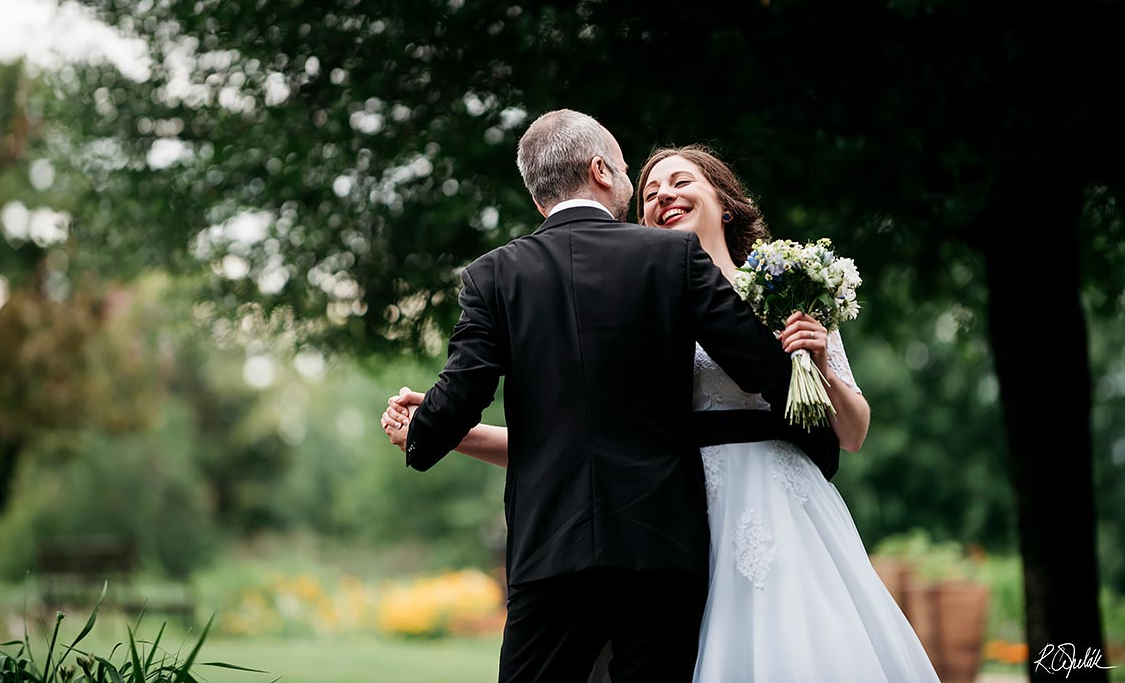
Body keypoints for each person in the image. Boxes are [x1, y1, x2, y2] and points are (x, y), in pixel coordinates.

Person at [386, 144, 941, 682]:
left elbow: (847, 430)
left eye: (680, 182)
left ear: (725, 201)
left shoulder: (782, 288)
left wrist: (815, 366)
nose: (662, 196)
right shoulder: (648, 287)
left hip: (765, 502)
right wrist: (447, 431)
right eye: (650, 190)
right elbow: (579, 433)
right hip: (671, 521)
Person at [391, 110, 792, 683]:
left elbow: (463, 390)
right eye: (628, 168)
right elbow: (759, 366)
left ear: (539, 200)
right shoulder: (672, 258)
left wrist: (421, 428)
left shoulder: (493, 276)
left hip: (549, 544)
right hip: (659, 543)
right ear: (601, 170)